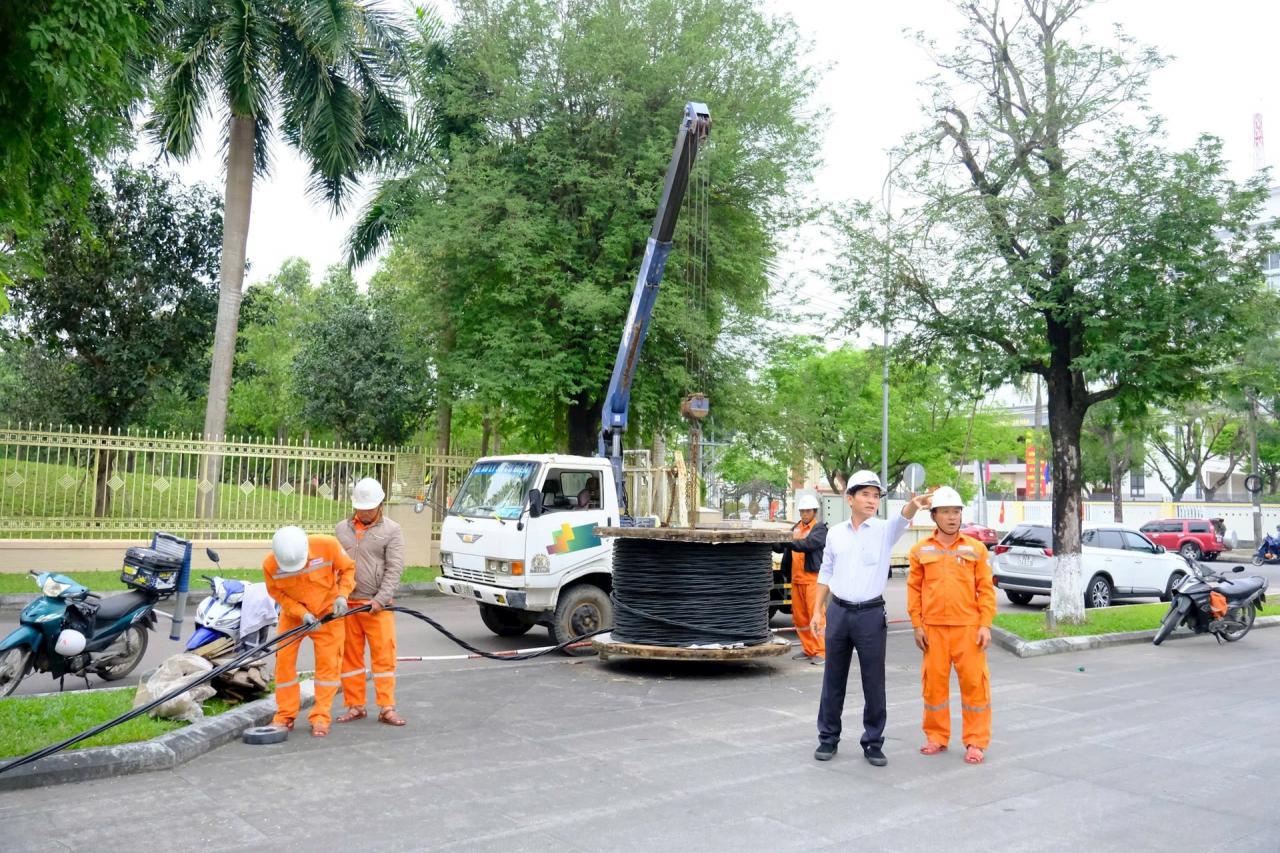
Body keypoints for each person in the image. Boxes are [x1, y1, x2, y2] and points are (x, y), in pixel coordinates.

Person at [811, 471, 930, 766]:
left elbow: (902, 516)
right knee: (832, 679)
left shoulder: (884, 530)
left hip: (870, 615)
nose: (872, 500)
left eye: (876, 495)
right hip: (838, 612)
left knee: (873, 682)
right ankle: (828, 737)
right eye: (865, 494)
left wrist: (914, 504)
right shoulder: (835, 533)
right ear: (849, 498)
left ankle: (873, 742)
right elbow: (825, 572)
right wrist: (817, 609)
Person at [907, 486, 996, 764]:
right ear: (934, 516)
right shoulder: (920, 551)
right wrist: (917, 625)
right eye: (945, 512)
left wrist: (985, 624)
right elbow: (914, 590)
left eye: (956, 512)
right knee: (934, 687)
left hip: (968, 629)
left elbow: (986, 590)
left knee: (974, 686)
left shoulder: (976, 549)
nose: (952, 517)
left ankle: (976, 741)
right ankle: (936, 736)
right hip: (933, 630)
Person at [263, 525, 356, 737]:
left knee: (328, 665)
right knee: (284, 663)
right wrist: (301, 613)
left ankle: (321, 716)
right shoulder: (270, 565)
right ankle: (285, 715)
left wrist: (342, 595)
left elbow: (348, 569)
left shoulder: (327, 546)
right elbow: (278, 594)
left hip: (327, 612)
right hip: (294, 617)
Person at [335, 477, 407, 727]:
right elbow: (336, 567)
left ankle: (386, 707)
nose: (364, 512)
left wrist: (380, 600)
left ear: (380, 505)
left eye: (369, 507)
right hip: (349, 606)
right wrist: (338, 596)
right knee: (350, 658)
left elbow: (394, 569)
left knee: (384, 657)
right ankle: (356, 706)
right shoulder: (341, 530)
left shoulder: (392, 530)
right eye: (360, 507)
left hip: (379, 607)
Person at [773, 494, 828, 664]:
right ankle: (809, 649)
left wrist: (786, 539)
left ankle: (821, 652)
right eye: (802, 511)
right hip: (796, 580)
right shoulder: (796, 528)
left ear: (814, 512)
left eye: (807, 511)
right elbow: (781, 547)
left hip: (813, 580)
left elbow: (807, 545)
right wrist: (772, 539)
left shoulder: (819, 529)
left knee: (816, 616)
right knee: (800, 618)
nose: (804, 514)